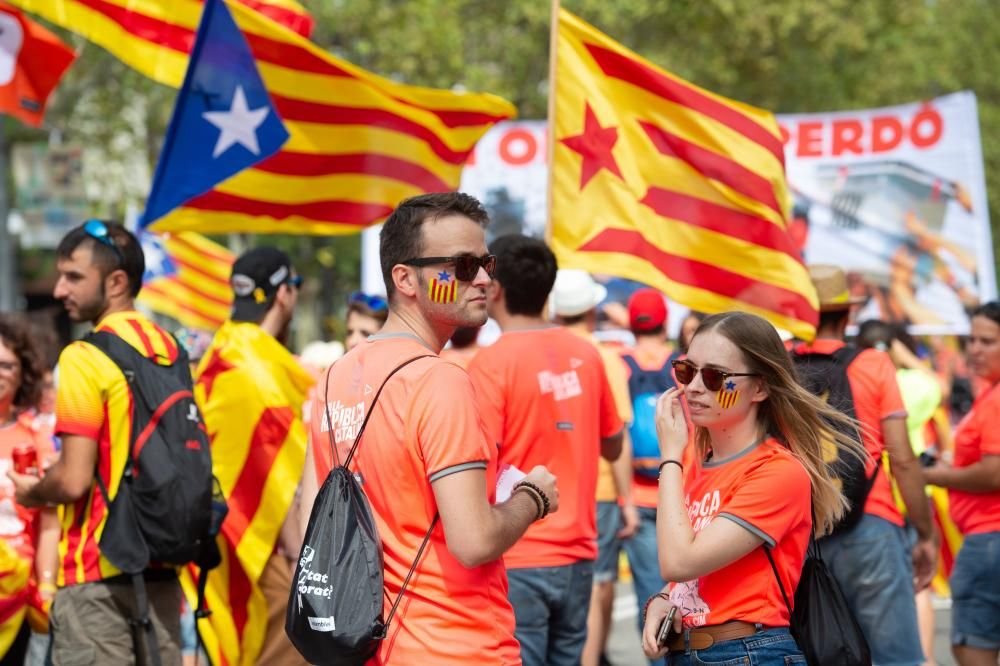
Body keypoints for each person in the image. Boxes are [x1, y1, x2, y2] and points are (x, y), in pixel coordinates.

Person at [300, 192, 560, 665]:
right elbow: (474, 541)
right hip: (456, 644)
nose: (483, 279)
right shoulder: (439, 380)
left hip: (367, 646)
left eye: (486, 262)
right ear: (406, 278)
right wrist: (532, 498)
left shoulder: (334, 377)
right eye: (461, 266)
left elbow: (308, 524)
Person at [642, 311, 866, 664]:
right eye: (686, 370)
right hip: (690, 652)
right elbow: (694, 576)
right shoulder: (696, 460)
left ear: (760, 387)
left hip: (747, 653)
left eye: (715, 376)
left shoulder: (778, 472)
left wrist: (670, 456)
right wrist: (661, 601)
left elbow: (679, 561)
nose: (695, 386)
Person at [9, 220, 183, 665]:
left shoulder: (85, 357)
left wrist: (33, 491)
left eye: (73, 277)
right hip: (162, 566)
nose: (60, 288)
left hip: (95, 575)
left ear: (116, 281)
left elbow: (72, 481)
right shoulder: (171, 350)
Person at [468, 236, 623, 666]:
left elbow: (478, 462)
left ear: (496, 289)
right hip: (579, 551)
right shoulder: (587, 355)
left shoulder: (489, 364)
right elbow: (613, 444)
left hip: (517, 552)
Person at [792, 264, 936, 666]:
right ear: (849, 312)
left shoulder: (780, 367)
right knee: (896, 658)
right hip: (871, 523)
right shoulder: (872, 364)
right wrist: (925, 533)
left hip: (802, 530)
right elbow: (903, 460)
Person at [192, 247, 312, 666]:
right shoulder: (260, 372)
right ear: (284, 295)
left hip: (215, 539)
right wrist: (305, 564)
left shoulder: (221, 352)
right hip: (250, 548)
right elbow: (285, 481)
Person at [549, 269, 636, 666]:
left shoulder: (538, 352)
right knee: (595, 584)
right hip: (596, 490)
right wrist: (627, 498)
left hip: (541, 490)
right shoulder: (603, 358)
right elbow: (617, 436)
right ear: (590, 309)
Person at [857, 319, 946, 666]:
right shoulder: (913, 383)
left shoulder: (858, 381)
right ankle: (924, 657)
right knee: (918, 582)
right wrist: (905, 355)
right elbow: (936, 383)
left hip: (870, 499)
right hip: (908, 494)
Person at [924, 301, 1000, 666]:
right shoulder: (989, 394)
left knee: (974, 650)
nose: (975, 349)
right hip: (986, 539)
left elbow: (994, 473)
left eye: (987, 341)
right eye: (972, 340)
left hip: (989, 540)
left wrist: (932, 474)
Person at [617, 288, 677, 663]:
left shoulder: (619, 365)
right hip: (679, 497)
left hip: (637, 500)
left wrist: (624, 500)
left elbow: (618, 437)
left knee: (650, 601)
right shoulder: (682, 364)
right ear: (664, 321)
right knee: (688, 599)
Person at [0, 315, 60, 664]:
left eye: (7, 365)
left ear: (24, 373)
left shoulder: (36, 437)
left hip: (19, 595)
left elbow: (49, 521)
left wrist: (48, 586)